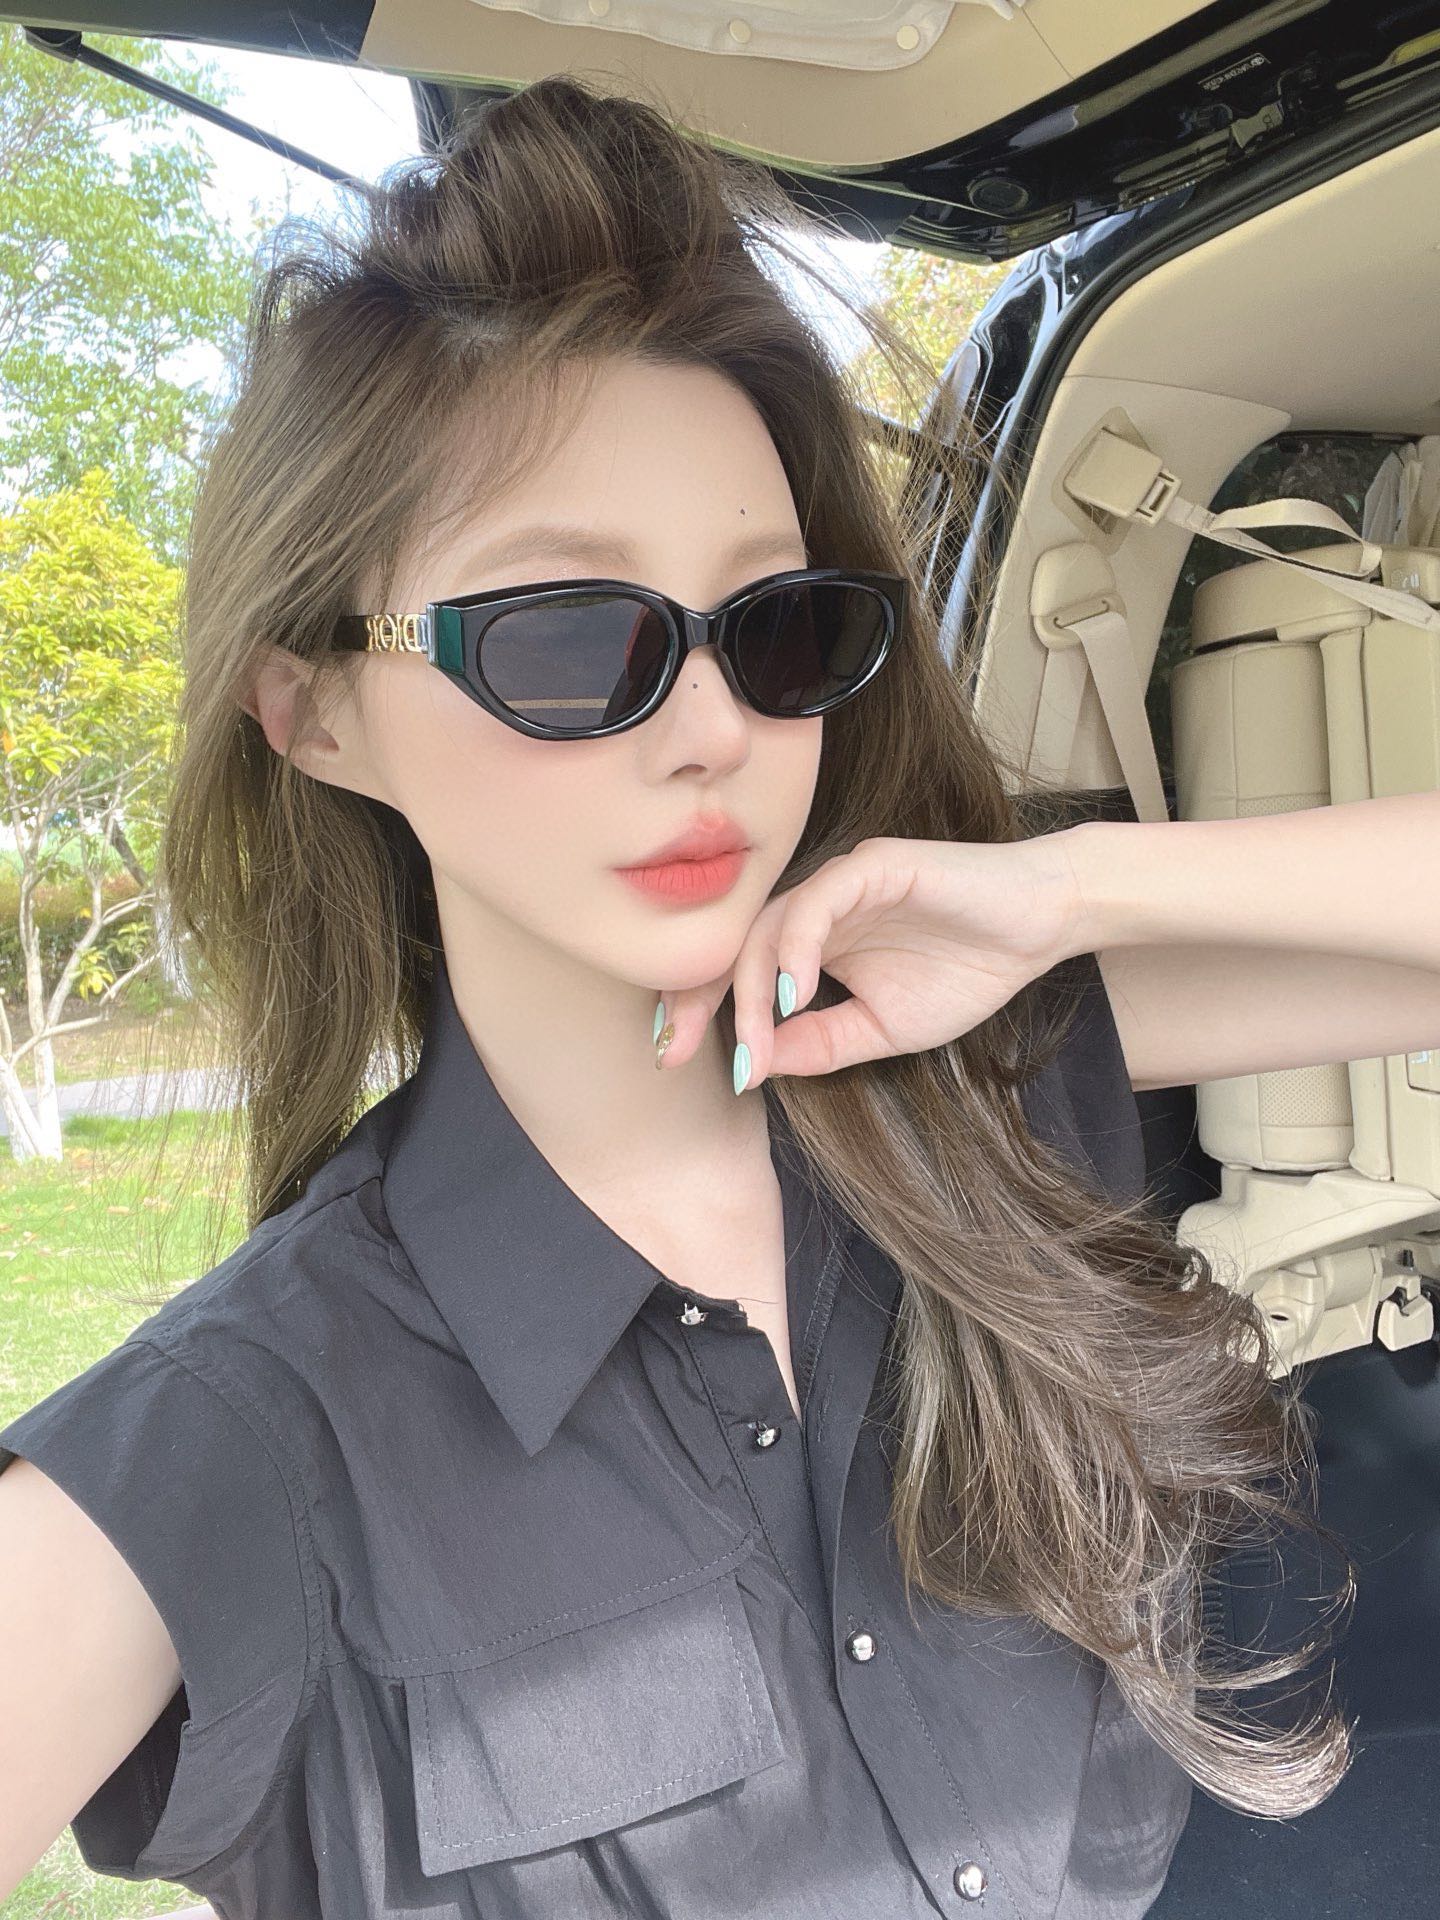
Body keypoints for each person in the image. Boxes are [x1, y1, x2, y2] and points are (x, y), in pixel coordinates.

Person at [0, 73, 1357, 1918]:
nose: (714, 727)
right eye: (568, 634)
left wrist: (1074, 890)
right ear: (313, 713)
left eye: (777, 625)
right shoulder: (250, 1438)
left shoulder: (993, 1087)